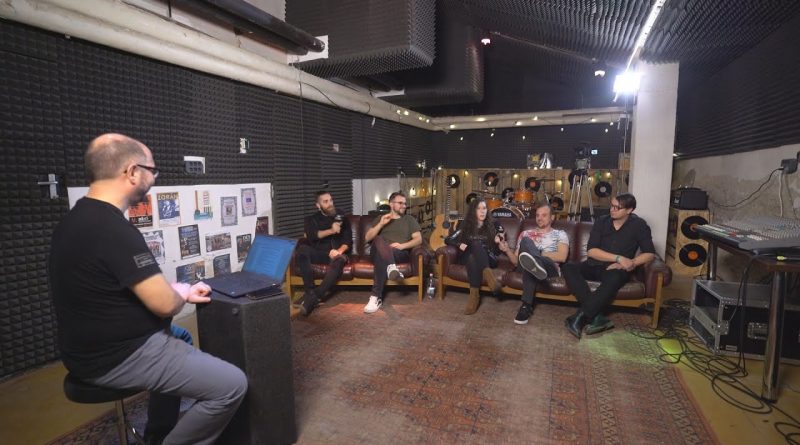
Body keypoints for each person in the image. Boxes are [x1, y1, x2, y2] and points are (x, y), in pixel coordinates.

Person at [48, 134, 247, 445]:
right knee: (232, 385)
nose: (154, 178)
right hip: (119, 355)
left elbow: (112, 289)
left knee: (181, 336)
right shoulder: (112, 229)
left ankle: (158, 433)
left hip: (83, 351)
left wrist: (179, 291)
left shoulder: (75, 219)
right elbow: (165, 305)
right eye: (152, 170)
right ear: (131, 172)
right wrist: (179, 294)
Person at [561, 193, 656, 339]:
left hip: (616, 270)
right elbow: (591, 251)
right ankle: (598, 317)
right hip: (594, 264)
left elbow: (650, 253)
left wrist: (632, 262)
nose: (612, 210)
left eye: (617, 208)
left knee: (615, 277)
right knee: (568, 267)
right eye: (611, 206)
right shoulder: (602, 221)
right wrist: (619, 258)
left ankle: (579, 317)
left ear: (629, 210)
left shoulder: (639, 225)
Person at [499, 203, 569, 325]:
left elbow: (562, 257)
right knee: (527, 250)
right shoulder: (525, 234)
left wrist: (537, 254)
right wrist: (507, 250)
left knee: (530, 263)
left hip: (548, 268)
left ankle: (526, 306)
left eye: (544, 215)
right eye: (537, 215)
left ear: (552, 217)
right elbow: (516, 261)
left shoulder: (560, 234)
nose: (539, 218)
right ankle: (534, 264)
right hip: (527, 266)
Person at [290, 191, 352, 318]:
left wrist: (338, 251)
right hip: (320, 253)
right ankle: (310, 291)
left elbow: (348, 241)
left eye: (331, 200)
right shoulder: (311, 220)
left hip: (337, 254)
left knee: (339, 260)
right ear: (318, 205)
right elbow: (313, 236)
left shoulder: (341, 216)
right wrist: (331, 230)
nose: (330, 204)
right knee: (302, 250)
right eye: (325, 202)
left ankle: (313, 297)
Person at [363, 191, 422, 313]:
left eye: (405, 203)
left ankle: (375, 297)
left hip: (398, 253)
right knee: (378, 239)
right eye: (400, 203)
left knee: (381, 257)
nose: (404, 206)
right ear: (391, 204)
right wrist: (380, 224)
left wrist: (402, 246)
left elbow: (419, 239)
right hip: (379, 251)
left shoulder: (409, 220)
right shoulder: (381, 218)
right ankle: (391, 267)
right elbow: (368, 238)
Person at [444, 198, 504, 315]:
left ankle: (474, 298)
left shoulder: (494, 223)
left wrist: (499, 238)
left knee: (475, 247)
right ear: (473, 211)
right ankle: (488, 282)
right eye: (479, 208)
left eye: (484, 208)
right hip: (468, 257)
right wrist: (459, 244)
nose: (482, 211)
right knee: (472, 256)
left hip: (488, 258)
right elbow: (448, 239)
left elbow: (501, 234)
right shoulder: (465, 225)